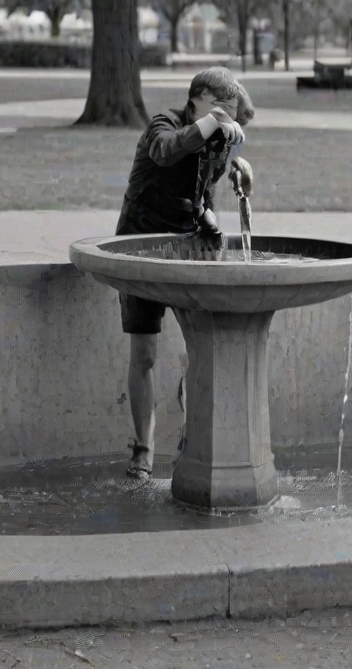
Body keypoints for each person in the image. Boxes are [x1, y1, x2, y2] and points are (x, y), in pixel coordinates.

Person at [116, 67, 255, 477]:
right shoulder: (164, 125)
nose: (225, 124)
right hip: (138, 250)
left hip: (185, 252)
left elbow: (201, 193)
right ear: (197, 99)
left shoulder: (213, 141)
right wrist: (215, 123)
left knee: (202, 347)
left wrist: (215, 207)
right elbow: (166, 150)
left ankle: (190, 434)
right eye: (219, 112)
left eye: (228, 116)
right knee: (143, 353)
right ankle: (142, 450)